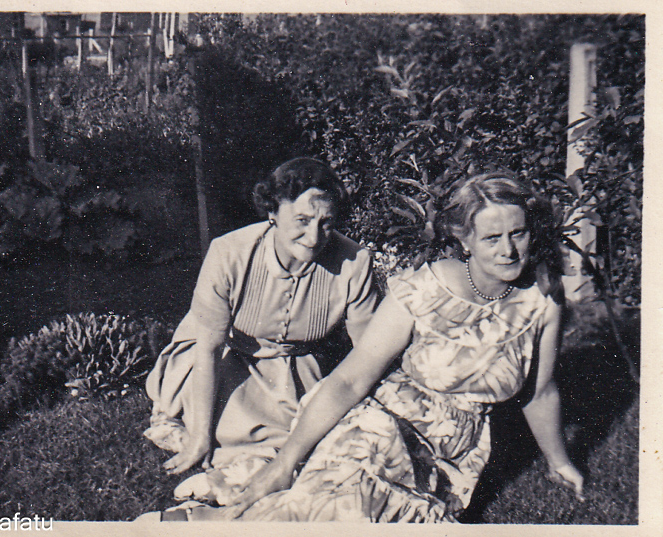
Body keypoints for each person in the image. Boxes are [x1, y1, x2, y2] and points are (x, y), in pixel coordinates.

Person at [157, 172, 584, 522]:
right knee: (350, 497)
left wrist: (559, 462)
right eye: (492, 238)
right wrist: (284, 462)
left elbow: (540, 392)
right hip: (384, 420)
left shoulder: (542, 300)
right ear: (464, 238)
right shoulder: (424, 287)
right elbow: (352, 376)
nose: (509, 250)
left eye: (518, 233)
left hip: (453, 452)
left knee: (363, 508)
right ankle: (208, 522)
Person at [143, 157, 380, 512]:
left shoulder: (354, 262)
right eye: (301, 221)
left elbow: (367, 355)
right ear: (273, 212)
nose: (314, 237)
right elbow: (208, 350)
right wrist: (198, 438)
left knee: (310, 431)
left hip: (294, 366)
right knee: (230, 429)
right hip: (223, 356)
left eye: (326, 223)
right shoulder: (229, 253)